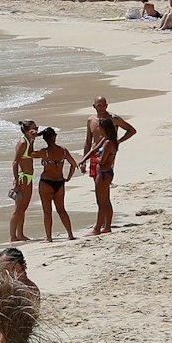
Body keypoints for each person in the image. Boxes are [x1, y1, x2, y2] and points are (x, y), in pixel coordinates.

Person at [82, 96, 134, 236]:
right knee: (101, 192)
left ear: (107, 105)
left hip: (107, 155)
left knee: (103, 191)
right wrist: (84, 160)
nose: (102, 107)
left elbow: (131, 130)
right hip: (95, 155)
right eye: (99, 105)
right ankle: (105, 224)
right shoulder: (91, 120)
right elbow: (88, 141)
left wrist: (118, 142)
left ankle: (103, 225)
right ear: (94, 106)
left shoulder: (113, 119)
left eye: (104, 105)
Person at [34, 127, 78, 241]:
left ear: (44, 139)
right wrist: (68, 177)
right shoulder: (63, 151)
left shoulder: (44, 152)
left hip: (46, 182)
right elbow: (74, 164)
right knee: (61, 210)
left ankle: (49, 237)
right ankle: (70, 234)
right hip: (59, 182)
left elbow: (27, 154)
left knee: (47, 212)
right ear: (55, 137)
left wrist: (32, 138)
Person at [6, 120, 37, 243]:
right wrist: (16, 181)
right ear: (26, 130)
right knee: (19, 208)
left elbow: (31, 154)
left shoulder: (30, 140)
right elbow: (15, 162)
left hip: (28, 177)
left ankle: (20, 234)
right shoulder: (23, 142)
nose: (35, 131)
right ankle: (13, 236)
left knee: (24, 207)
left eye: (36, 128)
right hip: (23, 177)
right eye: (33, 129)